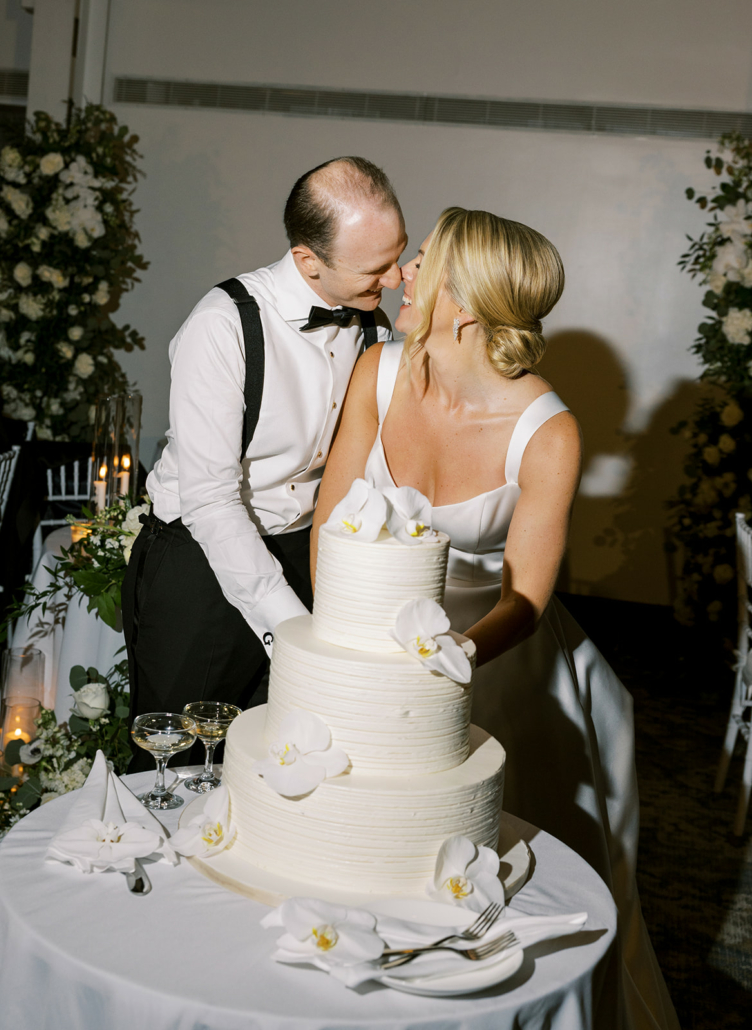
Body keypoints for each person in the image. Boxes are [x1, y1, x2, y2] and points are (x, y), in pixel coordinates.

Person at [311, 207, 680, 1030]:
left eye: (423, 263)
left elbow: (525, 597)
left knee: (502, 900)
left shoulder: (546, 432)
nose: (403, 271)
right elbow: (327, 531)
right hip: (365, 649)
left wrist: (442, 666)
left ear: (464, 306)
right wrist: (350, 653)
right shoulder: (377, 370)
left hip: (496, 662)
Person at [122, 157, 407, 754]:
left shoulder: (375, 328)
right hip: (201, 565)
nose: (396, 280)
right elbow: (211, 501)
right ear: (308, 261)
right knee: (179, 758)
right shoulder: (222, 325)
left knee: (283, 760)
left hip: (307, 554)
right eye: (374, 269)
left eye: (397, 256)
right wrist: (290, 623)